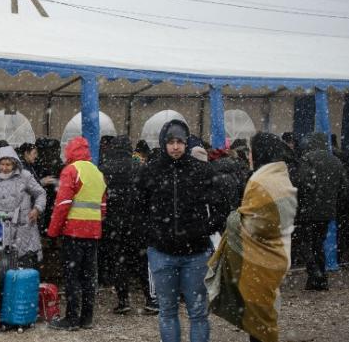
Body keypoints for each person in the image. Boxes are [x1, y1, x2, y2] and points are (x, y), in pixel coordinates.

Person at [135, 119, 226, 342]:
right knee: (167, 311)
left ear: (186, 143)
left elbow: (220, 205)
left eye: (179, 142)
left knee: (198, 313)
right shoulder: (151, 171)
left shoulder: (201, 170)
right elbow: (138, 208)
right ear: (163, 143)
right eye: (171, 142)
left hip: (196, 254)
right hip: (162, 253)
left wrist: (205, 228)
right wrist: (151, 234)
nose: (175, 147)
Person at [206, 132, 297, 342]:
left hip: (259, 259)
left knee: (259, 320)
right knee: (265, 311)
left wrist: (233, 217)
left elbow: (251, 223)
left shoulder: (261, 181)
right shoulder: (280, 177)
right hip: (276, 253)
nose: (248, 156)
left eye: (251, 152)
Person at [46, 136, 106, 331]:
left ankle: (71, 319)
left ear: (70, 151)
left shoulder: (71, 171)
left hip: (74, 232)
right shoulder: (97, 172)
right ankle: (86, 318)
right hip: (93, 232)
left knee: (72, 277)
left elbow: (62, 205)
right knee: (89, 276)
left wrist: (53, 232)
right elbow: (103, 206)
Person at [99, 136, 157, 315]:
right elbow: (150, 195)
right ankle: (151, 300)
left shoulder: (104, 169)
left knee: (118, 262)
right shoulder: (140, 167)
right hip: (138, 223)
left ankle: (123, 301)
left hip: (114, 223)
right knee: (142, 262)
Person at [292, 132, 347, 291]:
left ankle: (314, 271)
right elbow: (344, 188)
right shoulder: (336, 161)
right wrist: (333, 202)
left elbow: (300, 182)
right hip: (327, 210)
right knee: (318, 243)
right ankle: (320, 280)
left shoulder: (307, 159)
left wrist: (302, 199)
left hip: (306, 210)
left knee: (303, 242)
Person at [0, 146, 46, 269]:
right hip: (4, 229)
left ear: (15, 163)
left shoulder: (25, 176)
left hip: (25, 227)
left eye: (8, 164)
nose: (4, 168)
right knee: (6, 267)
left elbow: (40, 193)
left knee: (26, 265)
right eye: (2, 164)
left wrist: (37, 209)